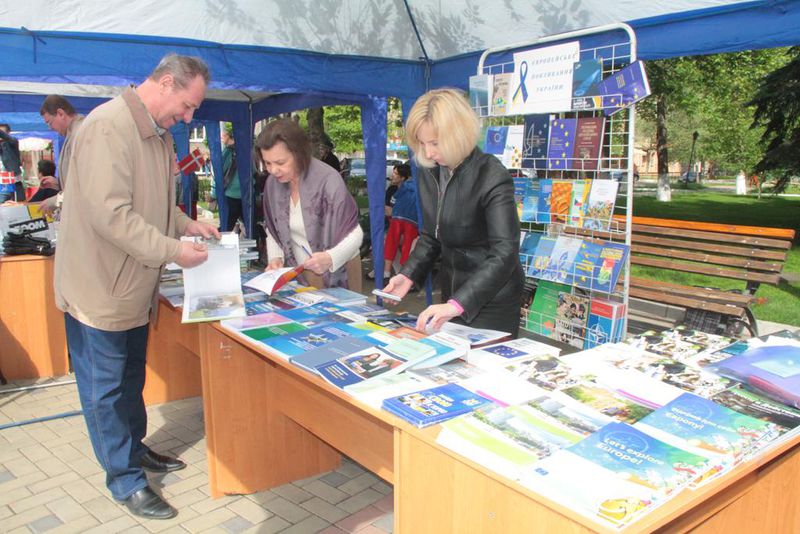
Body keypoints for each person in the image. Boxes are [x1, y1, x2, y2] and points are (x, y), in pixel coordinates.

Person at [54, 53, 220, 520]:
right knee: (104, 389)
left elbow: (154, 206)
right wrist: (173, 250)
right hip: (99, 289)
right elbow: (112, 215)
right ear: (165, 84)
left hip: (132, 286)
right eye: (187, 106)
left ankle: (134, 450)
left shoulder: (159, 136)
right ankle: (125, 480)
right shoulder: (107, 128)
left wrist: (188, 225)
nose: (188, 117)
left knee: (130, 380)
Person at [383, 88, 524, 335]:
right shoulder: (431, 169)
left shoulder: (491, 175)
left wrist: (458, 303)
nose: (428, 153)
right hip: (451, 296)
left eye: (435, 143)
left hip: (492, 299)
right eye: (422, 143)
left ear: (457, 134)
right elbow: (431, 235)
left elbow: (505, 251)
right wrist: (407, 275)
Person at [256, 118, 363, 290]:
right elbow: (273, 229)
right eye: (267, 163)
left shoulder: (328, 179)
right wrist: (276, 259)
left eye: (280, 163)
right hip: (301, 271)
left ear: (298, 153)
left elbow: (355, 233)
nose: (273, 170)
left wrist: (330, 257)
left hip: (339, 267)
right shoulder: (272, 184)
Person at [368, 163, 419, 280]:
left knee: (391, 242)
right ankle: (398, 274)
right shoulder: (395, 189)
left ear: (403, 177)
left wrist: (391, 210)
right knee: (393, 243)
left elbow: (389, 208)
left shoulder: (401, 189)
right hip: (408, 223)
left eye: (395, 174)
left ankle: (388, 273)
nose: (392, 176)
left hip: (398, 221)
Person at [39, 95, 86, 214]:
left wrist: (56, 200)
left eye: (49, 122)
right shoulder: (73, 134)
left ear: (60, 113)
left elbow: (86, 186)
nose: (50, 128)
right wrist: (58, 183)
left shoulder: (81, 134)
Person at [220, 124, 242, 231]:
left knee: (227, 227)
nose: (221, 138)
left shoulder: (227, 152)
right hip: (246, 193)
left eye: (223, 136)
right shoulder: (245, 150)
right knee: (250, 226)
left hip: (231, 193)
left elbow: (220, 170)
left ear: (229, 136)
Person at [0, 124, 24, 203]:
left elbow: (7, 138)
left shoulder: (12, 142)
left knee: (18, 207)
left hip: (13, 182)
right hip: (2, 185)